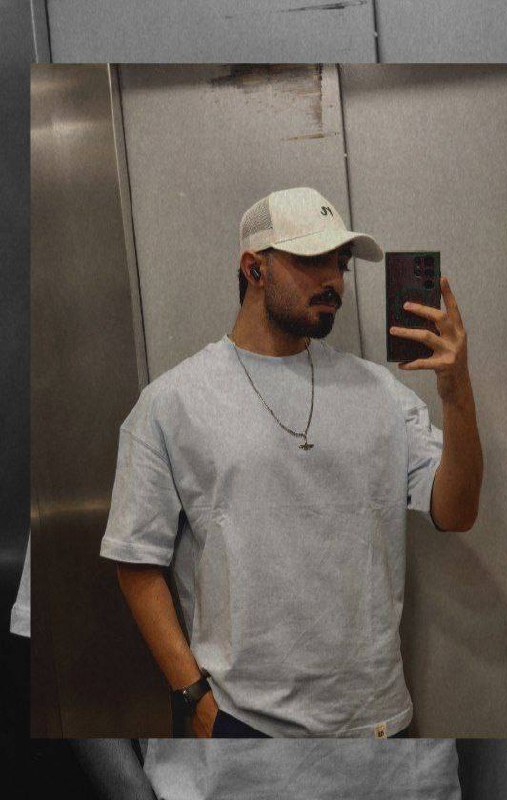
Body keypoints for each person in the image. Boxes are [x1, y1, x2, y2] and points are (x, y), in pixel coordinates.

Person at [100, 186, 483, 739]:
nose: (334, 281)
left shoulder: (380, 393)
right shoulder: (172, 403)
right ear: (254, 268)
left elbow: (458, 511)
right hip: (246, 721)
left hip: (379, 722)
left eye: (340, 263)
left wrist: (456, 389)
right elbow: (136, 562)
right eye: (312, 260)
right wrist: (193, 698)